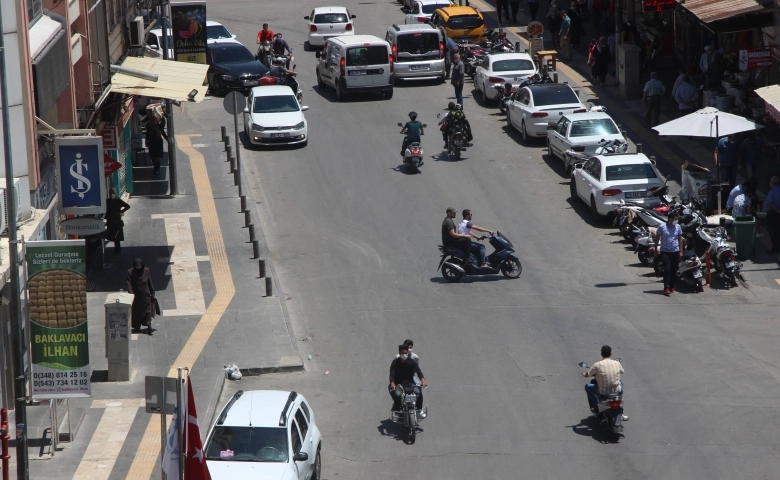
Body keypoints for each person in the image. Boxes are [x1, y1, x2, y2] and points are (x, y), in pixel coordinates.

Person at [582, 345, 626, 418]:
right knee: (620, 382)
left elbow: (587, 374)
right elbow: (622, 372)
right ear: (611, 354)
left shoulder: (597, 365)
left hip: (603, 393)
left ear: (601, 354)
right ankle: (620, 398)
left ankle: (596, 407)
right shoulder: (617, 363)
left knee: (587, 387)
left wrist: (584, 374)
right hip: (616, 391)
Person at [389, 344, 427, 413]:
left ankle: (419, 410)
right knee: (397, 396)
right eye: (402, 353)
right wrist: (392, 383)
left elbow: (418, 371)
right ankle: (397, 409)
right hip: (398, 384)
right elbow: (392, 374)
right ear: (399, 353)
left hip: (410, 383)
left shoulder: (412, 361)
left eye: (405, 353)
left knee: (419, 394)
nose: (404, 355)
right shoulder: (395, 362)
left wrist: (423, 380)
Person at [653, 210, 683, 296]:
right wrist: (655, 250)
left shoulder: (678, 227)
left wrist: (681, 251)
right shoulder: (662, 227)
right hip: (665, 251)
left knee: (674, 269)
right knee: (667, 268)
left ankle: (672, 285)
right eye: (675, 219)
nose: (676, 221)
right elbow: (657, 238)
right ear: (670, 219)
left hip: (675, 251)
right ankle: (666, 287)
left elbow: (680, 239)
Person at [127, 258, 156, 334]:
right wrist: (131, 293)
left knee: (147, 311)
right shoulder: (130, 272)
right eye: (137, 266)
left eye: (140, 266)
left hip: (145, 295)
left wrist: (152, 293)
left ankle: (149, 326)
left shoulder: (146, 270)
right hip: (136, 296)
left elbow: (149, 282)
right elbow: (129, 284)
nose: (138, 267)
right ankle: (137, 326)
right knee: (137, 312)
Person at [105, 189, 130, 254]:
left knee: (117, 235)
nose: (111, 194)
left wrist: (120, 211)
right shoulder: (108, 201)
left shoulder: (118, 201)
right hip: (110, 220)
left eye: (113, 192)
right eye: (110, 192)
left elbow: (127, 206)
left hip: (116, 220)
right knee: (110, 233)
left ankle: (117, 249)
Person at [764, 176, 780, 253]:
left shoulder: (772, 192)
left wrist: (777, 210)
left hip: (773, 214)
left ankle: (775, 248)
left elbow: (770, 203)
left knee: (773, 231)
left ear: (771, 183)